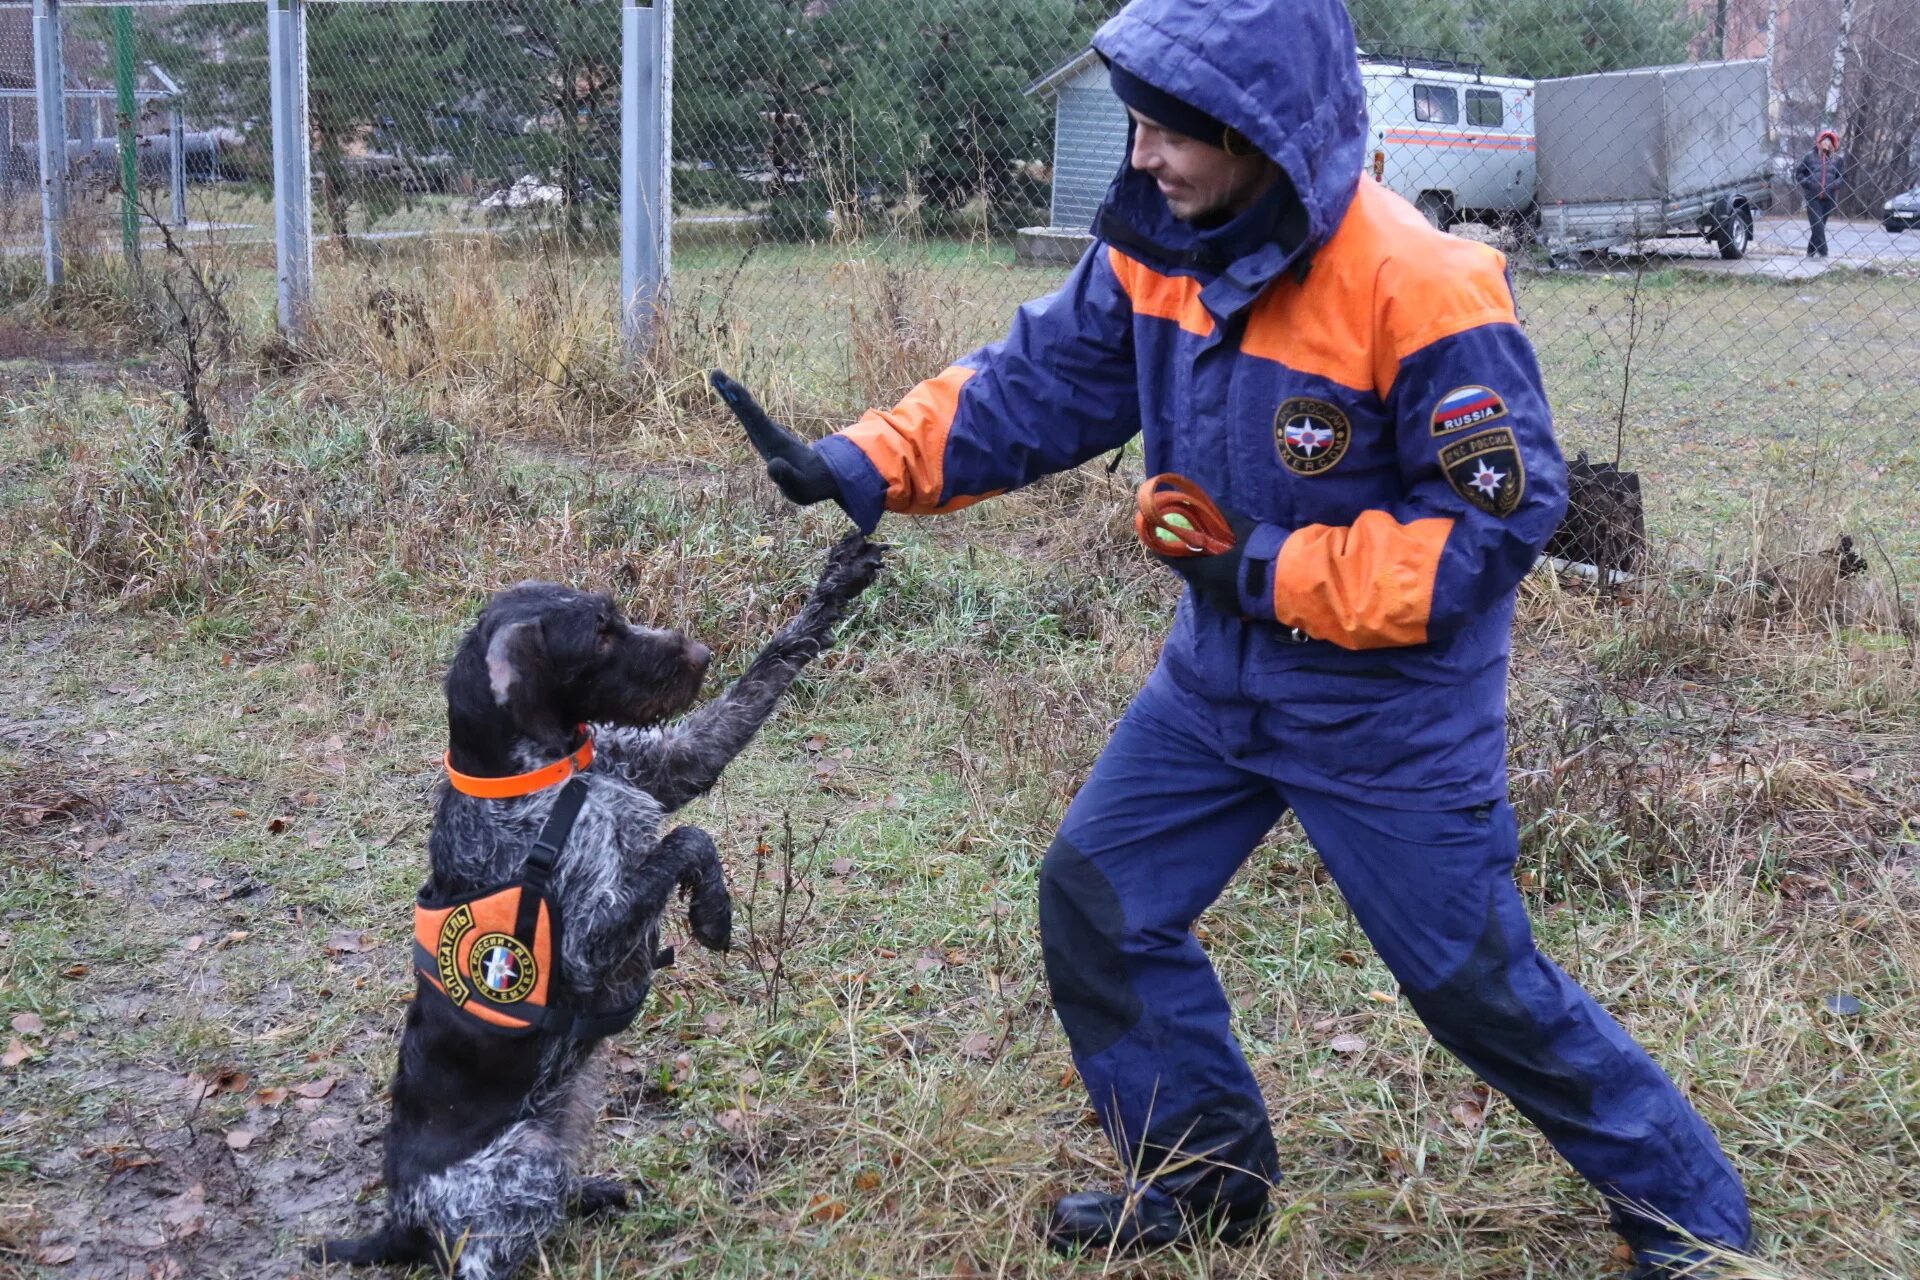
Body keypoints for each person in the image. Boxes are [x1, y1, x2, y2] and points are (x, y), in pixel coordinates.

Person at [712, 0, 1753, 1273]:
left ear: (1259, 132)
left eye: (1165, 131)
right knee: (1100, 903)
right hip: (1214, 687)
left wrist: (1265, 567)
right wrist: (862, 458)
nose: (1140, 154)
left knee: (1476, 983)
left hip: (1389, 715)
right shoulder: (1164, 241)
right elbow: (1036, 382)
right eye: (1136, 123)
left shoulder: (1419, 284)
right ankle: (1204, 1178)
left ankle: (1695, 1219)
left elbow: (1493, 523)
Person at [1796, 130, 1847, 258]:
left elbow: (1842, 177)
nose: (1826, 143)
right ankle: (1824, 253)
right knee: (1817, 224)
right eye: (1824, 140)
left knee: (1819, 227)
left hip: (1828, 198)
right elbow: (1799, 174)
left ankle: (1810, 252)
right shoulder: (1809, 157)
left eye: (1829, 141)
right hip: (1813, 197)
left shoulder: (1837, 160)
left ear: (1833, 144)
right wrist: (1809, 183)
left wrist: (1835, 185)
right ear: (1819, 141)